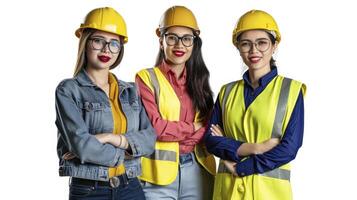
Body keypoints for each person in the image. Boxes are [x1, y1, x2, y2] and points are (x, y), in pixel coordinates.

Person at [55, 7, 156, 200]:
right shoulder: (68, 90)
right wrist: (129, 150)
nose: (106, 49)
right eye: (98, 41)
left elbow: (149, 139)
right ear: (85, 42)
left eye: (114, 44)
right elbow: (82, 146)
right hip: (89, 190)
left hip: (130, 186)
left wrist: (109, 137)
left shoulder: (130, 91)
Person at [204, 10, 306, 200]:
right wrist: (256, 148)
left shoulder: (291, 90)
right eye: (245, 44)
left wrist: (241, 167)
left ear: (274, 45)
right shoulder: (227, 92)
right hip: (228, 191)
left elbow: (289, 148)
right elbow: (211, 141)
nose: (254, 51)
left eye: (262, 43)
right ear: (238, 47)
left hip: (268, 193)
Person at [135, 5, 216, 200]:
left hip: (198, 171)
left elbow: (209, 127)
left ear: (194, 43)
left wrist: (188, 130)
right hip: (157, 177)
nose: (179, 45)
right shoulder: (146, 78)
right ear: (161, 40)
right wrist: (193, 128)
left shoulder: (200, 80)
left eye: (186, 39)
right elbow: (155, 128)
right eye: (172, 37)